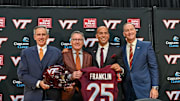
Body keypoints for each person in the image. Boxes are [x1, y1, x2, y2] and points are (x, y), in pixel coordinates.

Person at [17, 26, 64, 101]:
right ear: (34, 37)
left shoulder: (57, 52)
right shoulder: (26, 53)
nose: (41, 37)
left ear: (47, 36)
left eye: (43, 34)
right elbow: (22, 74)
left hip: (52, 96)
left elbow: (61, 73)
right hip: (32, 96)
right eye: (38, 35)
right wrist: (38, 83)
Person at [122, 23, 159, 101]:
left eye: (131, 29)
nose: (130, 32)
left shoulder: (146, 46)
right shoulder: (122, 49)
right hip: (127, 89)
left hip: (144, 89)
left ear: (135, 31)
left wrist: (154, 87)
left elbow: (153, 67)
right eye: (127, 30)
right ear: (124, 34)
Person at [88, 26, 125, 101]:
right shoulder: (90, 51)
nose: (103, 35)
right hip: (95, 91)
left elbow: (123, 68)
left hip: (112, 89)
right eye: (101, 33)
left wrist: (120, 69)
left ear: (108, 35)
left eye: (105, 33)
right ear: (96, 36)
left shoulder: (117, 50)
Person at [61, 31, 92, 101]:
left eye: (80, 40)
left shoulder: (89, 56)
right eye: (75, 40)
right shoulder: (63, 55)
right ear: (71, 42)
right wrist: (70, 76)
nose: (77, 42)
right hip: (68, 93)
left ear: (83, 42)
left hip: (85, 93)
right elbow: (59, 73)